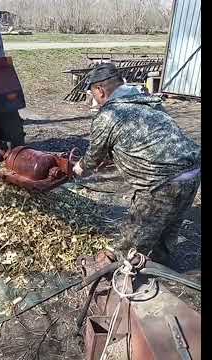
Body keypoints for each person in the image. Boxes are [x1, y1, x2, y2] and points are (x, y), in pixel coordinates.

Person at [73, 63, 201, 264]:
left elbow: (93, 157)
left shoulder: (108, 115)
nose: (94, 100)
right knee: (168, 228)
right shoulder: (149, 102)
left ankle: (121, 281)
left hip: (161, 184)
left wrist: (79, 167)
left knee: (130, 243)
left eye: (93, 94)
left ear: (100, 90)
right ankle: (162, 269)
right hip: (192, 172)